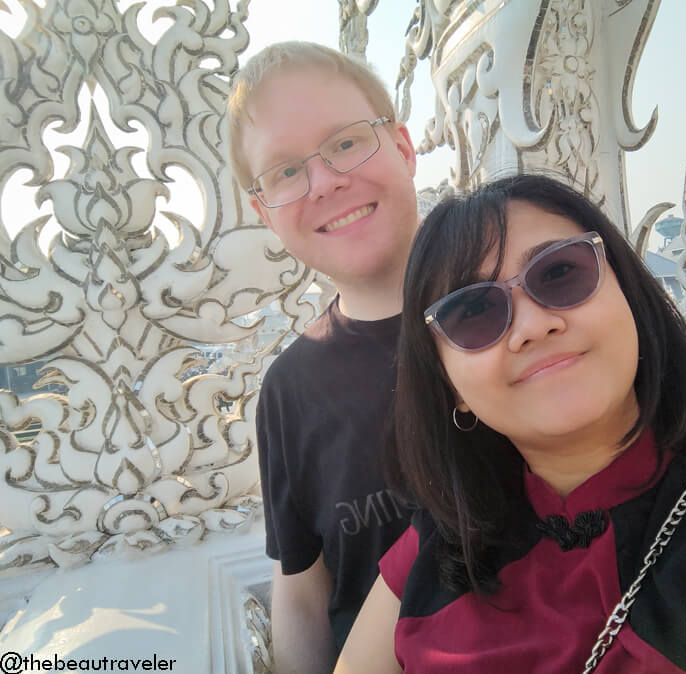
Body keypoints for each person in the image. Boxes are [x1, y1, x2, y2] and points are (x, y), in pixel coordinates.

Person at [335, 174, 686, 673]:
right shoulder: (435, 547)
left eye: (559, 273)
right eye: (475, 312)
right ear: (449, 387)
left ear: (630, 297)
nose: (532, 325)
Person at [225, 42, 419, 672]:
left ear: (404, 147)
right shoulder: (290, 391)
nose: (325, 181)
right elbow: (303, 590)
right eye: (285, 171)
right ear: (263, 212)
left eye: (345, 142)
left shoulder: (517, 312)